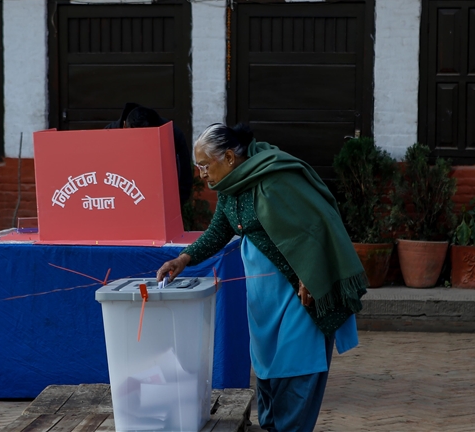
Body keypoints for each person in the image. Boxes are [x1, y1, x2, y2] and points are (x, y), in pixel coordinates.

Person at [155, 123, 367, 432]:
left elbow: (316, 225)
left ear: (228, 157)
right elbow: (218, 231)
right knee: (269, 370)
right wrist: (184, 259)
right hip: (264, 299)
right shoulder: (230, 187)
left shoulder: (275, 176)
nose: (201, 173)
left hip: (298, 292)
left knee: (298, 367)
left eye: (204, 165)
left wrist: (311, 274)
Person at [106, 103, 192, 206]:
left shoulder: (171, 134)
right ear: (125, 126)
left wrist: (175, 204)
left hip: (159, 201)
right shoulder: (109, 134)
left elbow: (184, 175)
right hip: (121, 199)